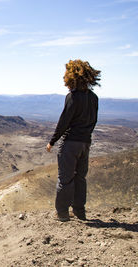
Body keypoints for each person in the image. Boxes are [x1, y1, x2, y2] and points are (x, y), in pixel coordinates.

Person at [46, 59, 100, 222]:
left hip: (70, 144)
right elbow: (94, 120)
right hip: (85, 143)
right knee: (80, 178)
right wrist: (86, 137)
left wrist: (52, 141)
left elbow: (65, 121)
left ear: (71, 77)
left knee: (65, 178)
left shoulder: (73, 97)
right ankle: (79, 212)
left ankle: (62, 214)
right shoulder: (94, 97)